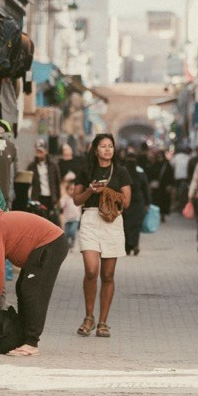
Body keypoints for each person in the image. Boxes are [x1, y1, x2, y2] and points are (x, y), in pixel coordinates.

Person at [0, 210, 69, 357]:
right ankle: (22, 336)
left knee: (31, 290)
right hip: (46, 243)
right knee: (21, 288)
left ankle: (31, 343)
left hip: (51, 243)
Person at [70, 133, 132, 338]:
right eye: (103, 146)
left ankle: (103, 321)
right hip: (89, 219)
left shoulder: (121, 171)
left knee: (107, 275)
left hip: (112, 222)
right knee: (91, 270)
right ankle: (89, 316)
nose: (107, 149)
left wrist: (106, 191)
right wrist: (90, 191)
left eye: (111, 146)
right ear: (95, 149)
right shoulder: (85, 170)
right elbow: (76, 200)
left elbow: (127, 201)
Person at [122, 150, 152, 256]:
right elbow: (146, 188)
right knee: (136, 226)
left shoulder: (122, 171)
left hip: (124, 202)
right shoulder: (140, 171)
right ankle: (135, 245)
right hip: (138, 203)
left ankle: (127, 247)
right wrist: (148, 202)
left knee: (125, 225)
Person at [27, 140, 61, 223]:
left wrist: (57, 198)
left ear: (46, 151)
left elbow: (57, 182)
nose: (39, 153)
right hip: (38, 197)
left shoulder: (53, 165)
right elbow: (28, 182)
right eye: (37, 151)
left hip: (51, 198)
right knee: (39, 220)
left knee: (51, 221)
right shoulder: (32, 166)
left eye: (41, 151)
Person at [59, 173, 81, 245]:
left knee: (72, 231)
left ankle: (73, 240)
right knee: (66, 233)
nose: (71, 191)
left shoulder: (77, 198)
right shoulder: (65, 198)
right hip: (67, 219)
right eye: (70, 190)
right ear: (67, 190)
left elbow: (80, 207)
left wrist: (79, 216)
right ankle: (68, 244)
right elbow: (61, 205)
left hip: (75, 219)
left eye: (73, 190)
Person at [171, 146, 192, 211]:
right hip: (186, 178)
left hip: (177, 178)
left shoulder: (176, 157)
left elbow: (171, 165)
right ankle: (183, 205)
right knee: (185, 192)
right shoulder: (188, 157)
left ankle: (176, 205)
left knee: (176, 191)